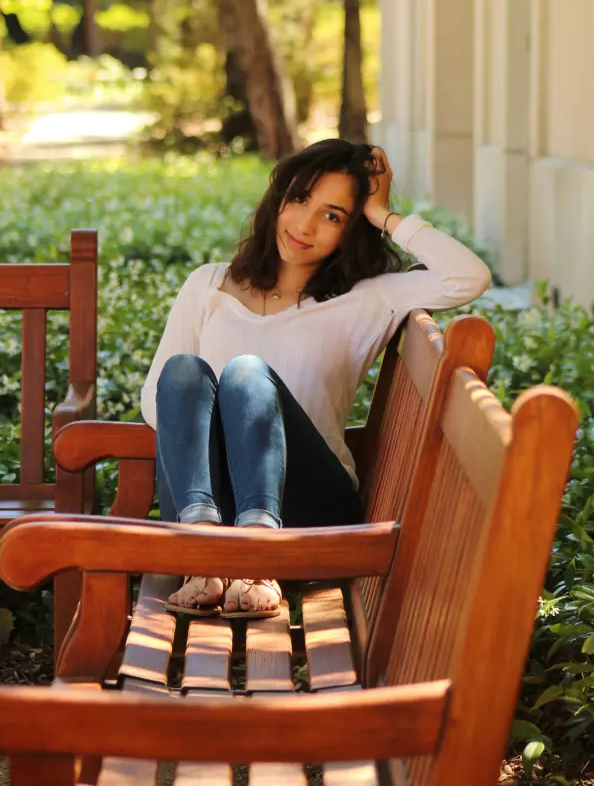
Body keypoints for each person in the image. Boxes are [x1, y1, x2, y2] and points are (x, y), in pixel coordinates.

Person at [140, 139, 491, 619]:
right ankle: (204, 556)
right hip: (213, 510)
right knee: (182, 372)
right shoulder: (208, 284)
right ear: (279, 200)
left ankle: (258, 559)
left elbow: (467, 277)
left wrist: (383, 213)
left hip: (306, 506)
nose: (305, 226)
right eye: (300, 200)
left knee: (246, 374)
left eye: (333, 215)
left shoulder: (368, 298)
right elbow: (156, 401)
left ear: (352, 230)